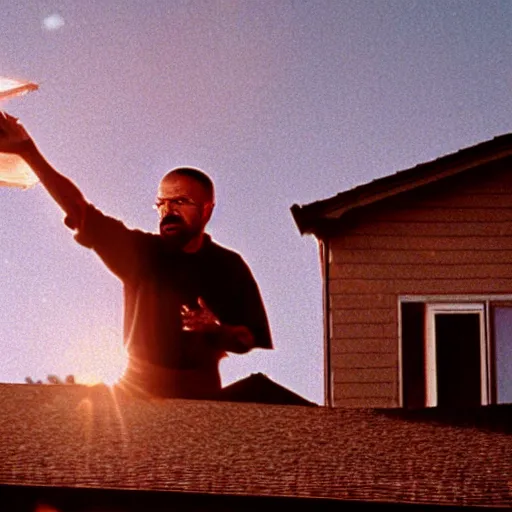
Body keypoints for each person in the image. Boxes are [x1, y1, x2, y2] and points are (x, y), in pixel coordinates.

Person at [0, 112, 273, 399]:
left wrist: (216, 330)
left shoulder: (228, 265)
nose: (169, 211)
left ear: (206, 210)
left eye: (181, 202)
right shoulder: (141, 252)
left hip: (201, 396)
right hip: (138, 395)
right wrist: (28, 151)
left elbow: (248, 337)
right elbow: (79, 209)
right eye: (162, 203)